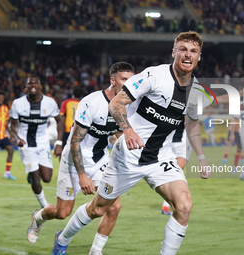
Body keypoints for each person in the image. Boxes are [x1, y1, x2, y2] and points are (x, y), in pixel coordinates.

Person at [51, 31, 211, 255]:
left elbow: (191, 125)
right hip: (128, 157)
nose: (187, 55)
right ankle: (63, 238)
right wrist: (128, 130)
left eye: (193, 51)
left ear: (199, 56)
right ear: (173, 52)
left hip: (160, 158)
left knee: (184, 205)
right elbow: (116, 103)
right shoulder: (153, 76)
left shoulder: (195, 91)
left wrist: (202, 158)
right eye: (183, 49)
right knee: (98, 209)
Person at [27, 63, 134, 255]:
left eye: (131, 80)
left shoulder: (128, 105)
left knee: (114, 207)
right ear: (113, 81)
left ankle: (96, 251)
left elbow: (120, 133)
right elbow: (75, 142)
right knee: (62, 213)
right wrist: (82, 175)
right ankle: (38, 217)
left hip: (100, 161)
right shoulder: (92, 102)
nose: (128, 84)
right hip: (74, 160)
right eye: (124, 79)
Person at [10, 74, 64, 208]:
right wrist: (17, 138)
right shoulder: (18, 103)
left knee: (46, 178)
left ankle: (32, 174)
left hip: (43, 144)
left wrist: (58, 143)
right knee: (35, 176)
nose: (32, 85)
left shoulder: (49, 102)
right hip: (26, 145)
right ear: (26, 86)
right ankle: (44, 206)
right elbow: (11, 125)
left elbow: (60, 121)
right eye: (30, 83)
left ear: (40, 86)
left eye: (35, 83)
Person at [161, 128, 192, 215]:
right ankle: (167, 206)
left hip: (168, 137)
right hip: (181, 140)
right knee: (176, 173)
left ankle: (169, 204)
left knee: (174, 173)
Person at [0, 90, 16, 180]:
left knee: (11, 150)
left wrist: (10, 134)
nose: (1, 99)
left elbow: (6, 122)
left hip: (3, 136)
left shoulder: (5, 108)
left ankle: (7, 173)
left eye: (2, 98)